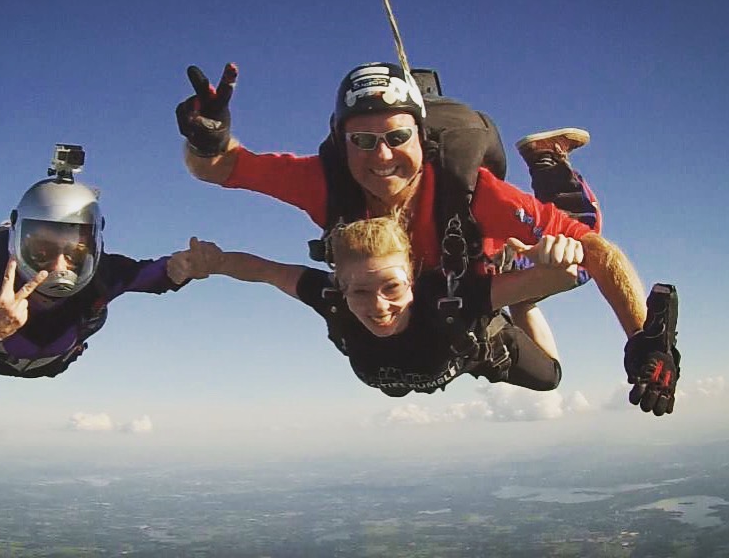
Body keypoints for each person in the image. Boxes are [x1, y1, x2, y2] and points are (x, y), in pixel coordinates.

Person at [175, 62, 680, 415]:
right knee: (546, 275)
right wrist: (207, 139)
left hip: (480, 279)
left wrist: (644, 341)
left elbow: (597, 254)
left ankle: (547, 160)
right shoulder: (323, 181)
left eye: (397, 137)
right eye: (363, 141)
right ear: (342, 142)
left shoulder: (475, 193)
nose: (381, 157)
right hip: (436, 300)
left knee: (577, 239)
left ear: (421, 135)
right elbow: (217, 170)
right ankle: (528, 280)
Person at [178, 217, 585, 396]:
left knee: (550, 379)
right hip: (402, 372)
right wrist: (216, 263)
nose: (379, 307)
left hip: (472, 351)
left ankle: (522, 303)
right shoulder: (330, 298)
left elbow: (564, 278)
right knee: (395, 387)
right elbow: (267, 271)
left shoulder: (448, 297)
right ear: (340, 286)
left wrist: (556, 258)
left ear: (413, 278)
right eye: (359, 293)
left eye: (392, 287)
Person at [0, 146, 193, 386]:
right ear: (18, 243)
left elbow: (156, 274)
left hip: (38, 360)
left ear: (94, 245)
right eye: (41, 251)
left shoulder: (103, 274)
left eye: (75, 251)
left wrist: (185, 267)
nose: (59, 267)